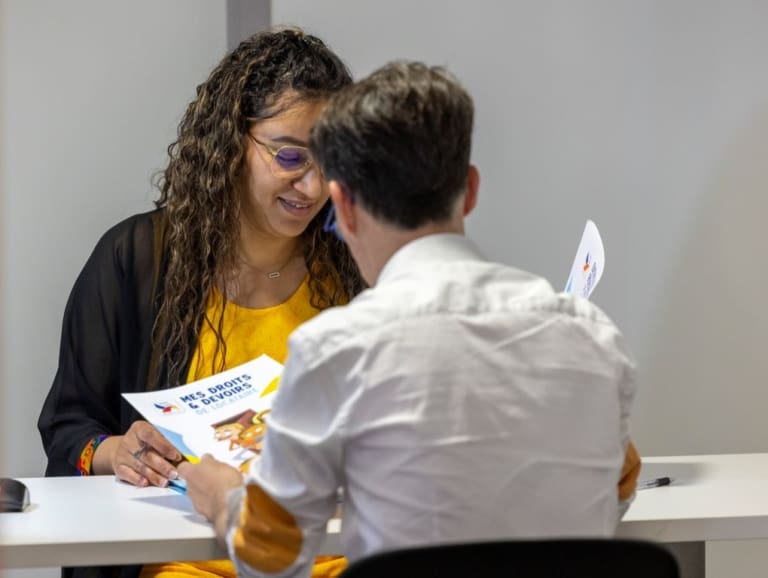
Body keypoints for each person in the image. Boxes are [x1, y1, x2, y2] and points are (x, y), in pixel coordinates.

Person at [178, 60, 641, 578]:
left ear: (344, 206)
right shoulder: (591, 337)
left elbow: (272, 559)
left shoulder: (337, 349)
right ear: (469, 190)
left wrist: (224, 500)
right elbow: (619, 487)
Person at [37, 28, 364, 578]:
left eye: (332, 163)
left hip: (328, 557)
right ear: (231, 143)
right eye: (290, 156)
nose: (312, 188)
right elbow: (70, 427)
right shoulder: (140, 260)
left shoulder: (351, 265)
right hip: (188, 564)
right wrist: (117, 451)